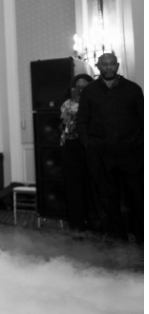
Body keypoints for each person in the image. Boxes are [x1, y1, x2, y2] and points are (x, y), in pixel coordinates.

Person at [76, 53, 143, 244]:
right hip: (100, 154)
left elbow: (143, 119)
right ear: (98, 66)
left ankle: (142, 236)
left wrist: (139, 144)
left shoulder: (133, 89)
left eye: (112, 64)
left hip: (131, 153)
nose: (108, 68)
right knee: (107, 198)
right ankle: (117, 238)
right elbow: (82, 121)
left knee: (137, 197)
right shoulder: (89, 91)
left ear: (118, 65)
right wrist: (88, 143)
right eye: (104, 64)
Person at [60, 73, 97, 231]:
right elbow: (66, 125)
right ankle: (77, 224)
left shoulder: (97, 101)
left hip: (91, 146)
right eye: (78, 86)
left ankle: (95, 223)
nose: (81, 89)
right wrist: (74, 107)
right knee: (74, 186)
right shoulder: (67, 104)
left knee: (92, 185)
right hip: (72, 146)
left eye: (85, 86)